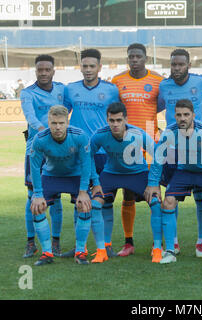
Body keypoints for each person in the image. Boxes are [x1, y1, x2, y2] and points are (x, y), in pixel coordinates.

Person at [144, 99, 202, 264]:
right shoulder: (170, 131)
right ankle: (169, 251)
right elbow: (159, 157)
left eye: (186, 115)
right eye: (179, 115)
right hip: (185, 171)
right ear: (174, 116)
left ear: (193, 116)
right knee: (168, 202)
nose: (182, 118)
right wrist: (153, 183)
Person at [157, 49, 202, 257]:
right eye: (173, 64)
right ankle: (173, 242)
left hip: (199, 147)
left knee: (201, 198)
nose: (176, 68)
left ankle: (200, 242)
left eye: (180, 64)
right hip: (173, 149)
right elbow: (153, 105)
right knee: (171, 197)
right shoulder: (164, 86)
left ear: (188, 65)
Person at [63, 48, 121, 258]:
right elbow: (62, 116)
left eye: (91, 66)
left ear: (99, 67)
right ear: (80, 67)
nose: (88, 70)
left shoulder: (112, 90)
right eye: (84, 66)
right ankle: (81, 246)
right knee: (78, 200)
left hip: (103, 153)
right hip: (77, 153)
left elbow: (119, 118)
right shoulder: (70, 90)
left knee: (104, 200)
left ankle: (106, 244)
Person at [90, 102, 162, 263]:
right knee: (95, 205)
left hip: (137, 173)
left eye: (119, 120)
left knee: (156, 203)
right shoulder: (100, 134)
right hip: (111, 173)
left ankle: (157, 248)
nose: (115, 124)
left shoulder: (138, 134)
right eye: (111, 120)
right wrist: (95, 181)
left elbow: (158, 154)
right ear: (107, 120)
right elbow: (86, 156)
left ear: (126, 120)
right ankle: (102, 250)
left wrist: (153, 182)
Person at [111, 43, 165, 256]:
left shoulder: (158, 81)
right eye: (131, 56)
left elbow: (160, 105)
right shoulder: (117, 81)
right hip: (126, 145)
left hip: (150, 143)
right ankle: (128, 242)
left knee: (155, 192)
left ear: (145, 57)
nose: (134, 60)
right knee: (128, 193)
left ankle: (157, 244)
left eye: (138, 56)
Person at [29, 106, 98, 266]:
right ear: (48, 122)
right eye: (53, 123)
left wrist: (83, 191)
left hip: (74, 176)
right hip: (51, 176)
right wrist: (37, 194)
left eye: (61, 123)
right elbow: (34, 167)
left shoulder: (79, 136)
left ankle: (80, 251)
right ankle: (47, 253)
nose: (57, 127)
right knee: (36, 207)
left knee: (85, 205)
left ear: (67, 122)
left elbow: (86, 163)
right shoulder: (40, 139)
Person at [20, 54, 65, 259]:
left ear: (53, 71)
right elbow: (30, 117)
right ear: (35, 71)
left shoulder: (61, 90)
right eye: (40, 70)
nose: (44, 73)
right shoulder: (27, 93)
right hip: (36, 150)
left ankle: (55, 241)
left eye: (47, 69)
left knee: (54, 198)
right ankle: (31, 242)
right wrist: (44, 132)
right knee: (32, 197)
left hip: (57, 150)